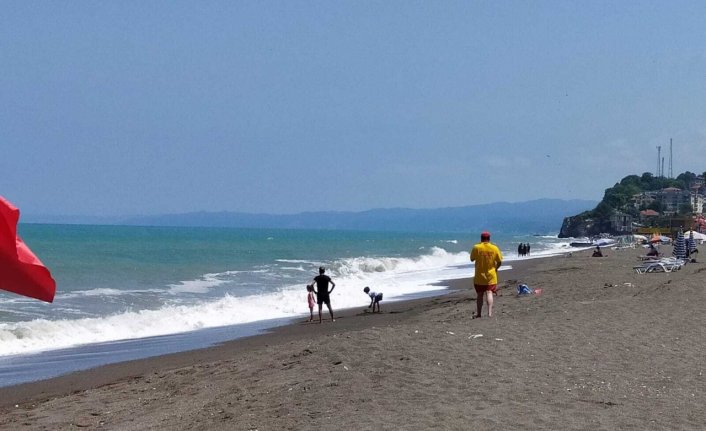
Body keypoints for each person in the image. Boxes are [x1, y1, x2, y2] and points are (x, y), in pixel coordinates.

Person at [470, 231, 503, 318]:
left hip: (479, 276)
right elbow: (499, 261)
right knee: (489, 292)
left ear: (481, 239)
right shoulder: (494, 248)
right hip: (491, 275)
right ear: (489, 239)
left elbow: (472, 259)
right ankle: (489, 313)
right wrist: (495, 268)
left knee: (480, 294)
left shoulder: (476, 247)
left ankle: (479, 314)